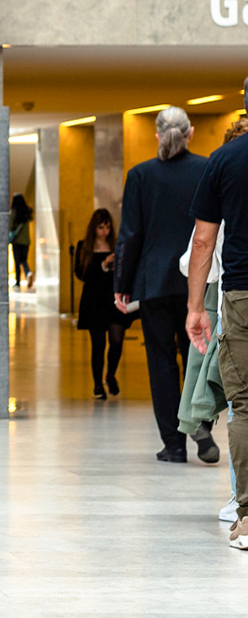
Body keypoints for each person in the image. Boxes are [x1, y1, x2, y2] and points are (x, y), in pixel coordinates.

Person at [116, 106, 217, 464]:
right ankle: (200, 423)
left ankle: (173, 445)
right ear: (190, 133)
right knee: (198, 357)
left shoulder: (141, 175)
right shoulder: (207, 168)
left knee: (161, 362)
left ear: (157, 135)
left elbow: (130, 234)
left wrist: (122, 284)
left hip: (155, 281)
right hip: (199, 278)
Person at [187, 106, 248, 550]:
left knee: (244, 405)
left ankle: (247, 517)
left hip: (242, 295)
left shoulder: (225, 160)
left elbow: (203, 240)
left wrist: (196, 307)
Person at [74, 208, 134, 400]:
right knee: (98, 344)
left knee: (116, 340)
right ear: (94, 228)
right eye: (101, 227)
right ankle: (97, 384)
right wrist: (102, 265)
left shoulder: (117, 246)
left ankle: (111, 375)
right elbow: (80, 274)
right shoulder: (84, 247)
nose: (105, 231)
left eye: (108, 227)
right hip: (94, 300)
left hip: (113, 299)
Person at [9, 193, 34, 290]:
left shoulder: (14, 212)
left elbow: (10, 225)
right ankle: (28, 273)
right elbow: (31, 219)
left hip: (17, 241)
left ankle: (18, 282)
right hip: (26, 241)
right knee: (23, 260)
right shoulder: (27, 212)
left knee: (17, 261)